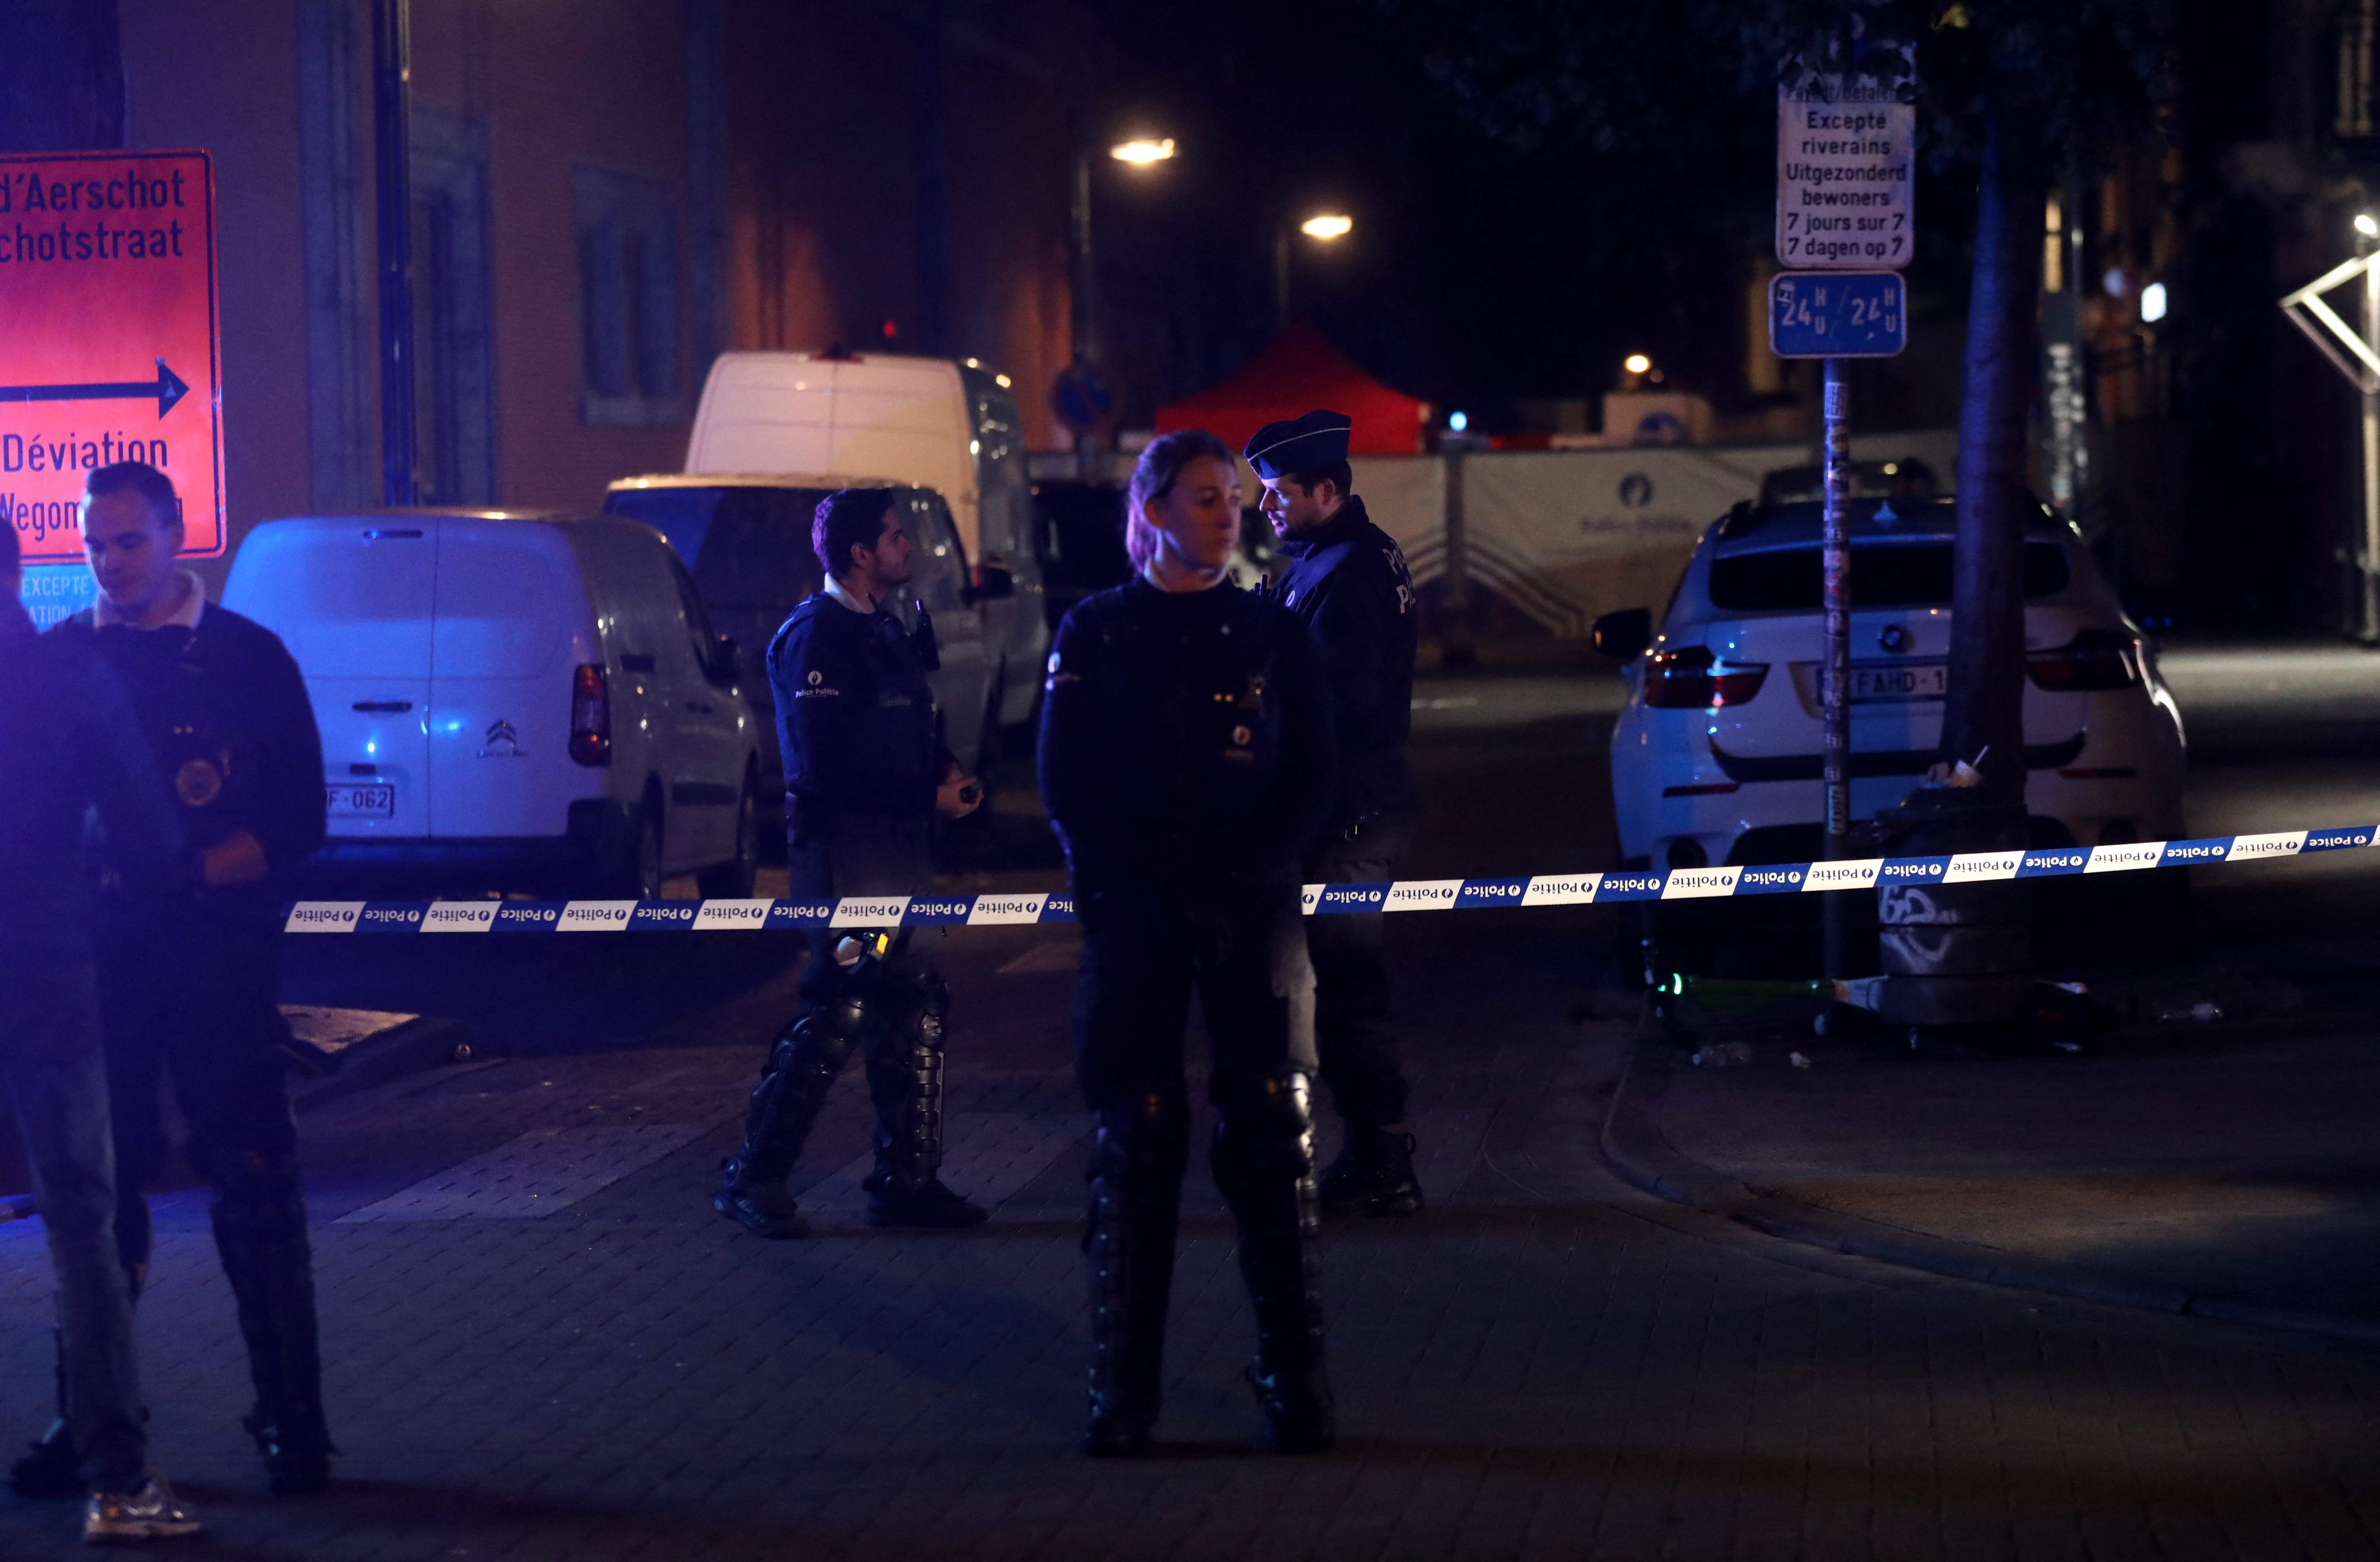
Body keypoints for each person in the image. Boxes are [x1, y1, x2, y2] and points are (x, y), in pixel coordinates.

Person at [15, 461, 335, 1499]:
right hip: (101, 957)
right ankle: (96, 1417)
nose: (109, 565)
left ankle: (294, 1419)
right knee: (103, 1195)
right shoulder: (62, 658)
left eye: (129, 542)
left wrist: (196, 869)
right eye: (93, 546)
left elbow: (296, 820)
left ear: (176, 533)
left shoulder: (246, 659)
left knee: (250, 1178)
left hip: (215, 951)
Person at [1039, 429, 1339, 1457]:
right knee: (1138, 1136)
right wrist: (1130, 890)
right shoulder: (1096, 630)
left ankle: (1297, 1385)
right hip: (1137, 915)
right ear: (1154, 509)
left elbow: (1311, 775)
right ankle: (1120, 1392)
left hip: (1249, 911)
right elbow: (1067, 785)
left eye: (1236, 499)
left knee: (1269, 1131)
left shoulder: (1271, 632)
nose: (1227, 513)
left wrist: (1255, 873)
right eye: (1205, 497)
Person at [0, 512, 203, 1539]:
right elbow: (154, 830)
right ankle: (117, 1478)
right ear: (19, 565)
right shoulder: (68, 677)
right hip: (44, 957)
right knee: (81, 1217)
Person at [714, 488, 988, 1237]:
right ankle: (753, 1176)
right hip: (848, 861)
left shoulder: (888, 631)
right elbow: (827, 766)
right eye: (897, 537)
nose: (909, 548)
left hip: (901, 854)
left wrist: (948, 774)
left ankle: (907, 1181)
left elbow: (915, 728)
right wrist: (922, 794)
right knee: (840, 1006)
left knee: (916, 1006)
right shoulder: (816, 639)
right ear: (862, 552)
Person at [1248, 410, 1425, 1218]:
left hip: (1344, 818)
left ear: (1326, 490)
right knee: (1338, 992)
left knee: (1347, 993)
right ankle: (1374, 1154)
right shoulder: (1341, 555)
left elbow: (1326, 706)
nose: (1264, 509)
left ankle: (1383, 1162)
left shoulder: (1341, 573)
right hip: (1352, 809)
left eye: (1277, 493)